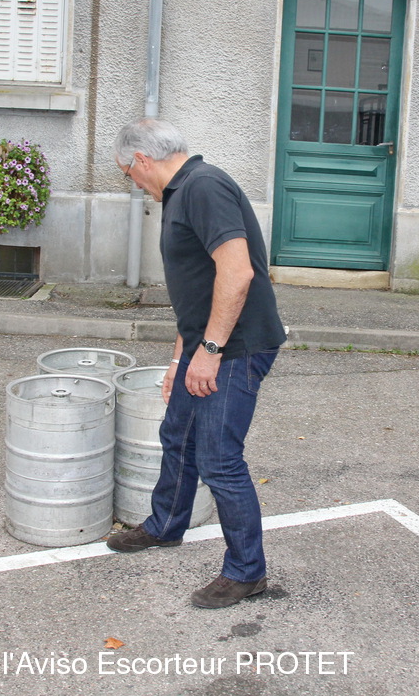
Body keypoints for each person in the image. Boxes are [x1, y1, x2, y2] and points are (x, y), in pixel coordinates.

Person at [105, 117, 287, 609]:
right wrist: (179, 357)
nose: (132, 182)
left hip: (236, 347)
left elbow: (237, 272)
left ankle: (247, 572)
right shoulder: (183, 191)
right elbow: (198, 289)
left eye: (127, 172)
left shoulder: (203, 187)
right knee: (178, 435)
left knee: (219, 459)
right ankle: (165, 525)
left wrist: (209, 352)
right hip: (207, 342)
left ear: (141, 160)